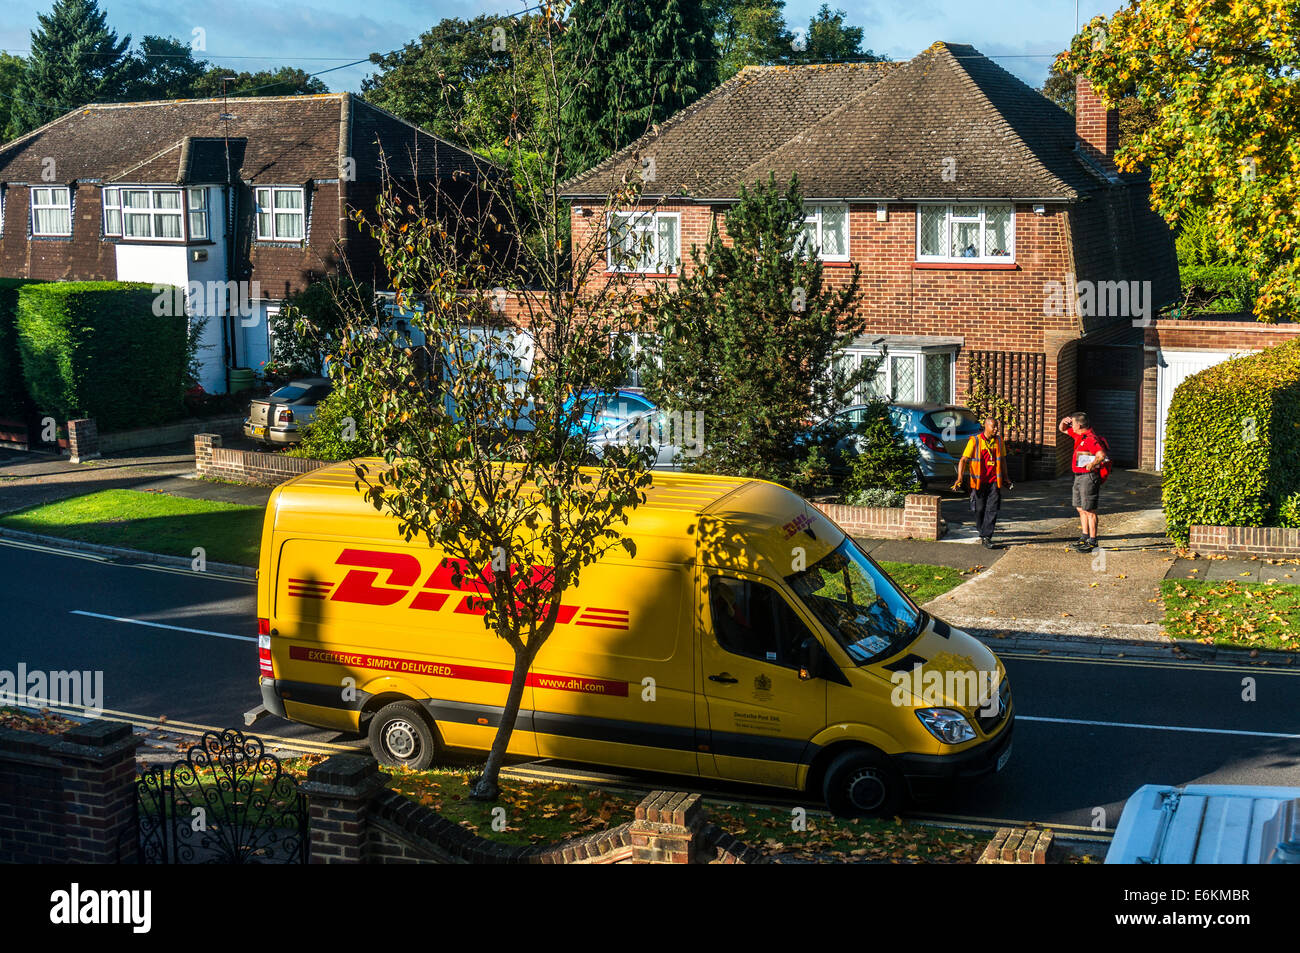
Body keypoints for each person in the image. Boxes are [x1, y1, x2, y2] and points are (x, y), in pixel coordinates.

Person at [953, 416, 1011, 549]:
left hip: (994, 481)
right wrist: (959, 478)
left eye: (997, 427)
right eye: (993, 427)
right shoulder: (975, 441)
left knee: (992, 509)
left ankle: (987, 536)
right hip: (979, 482)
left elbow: (1002, 460)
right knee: (979, 509)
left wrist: (1006, 477)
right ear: (986, 426)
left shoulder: (999, 441)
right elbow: (963, 460)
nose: (996, 429)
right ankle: (982, 531)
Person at [1060, 411, 1110, 553]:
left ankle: (1093, 541)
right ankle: (1084, 537)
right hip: (1079, 476)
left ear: (1080, 425)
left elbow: (1101, 455)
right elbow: (1062, 429)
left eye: (1073, 424)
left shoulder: (1090, 439)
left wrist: (1092, 464)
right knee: (1080, 508)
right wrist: (1063, 422)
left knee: (1089, 510)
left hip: (1088, 477)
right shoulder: (1079, 436)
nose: (1072, 426)